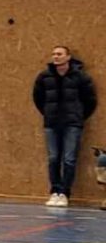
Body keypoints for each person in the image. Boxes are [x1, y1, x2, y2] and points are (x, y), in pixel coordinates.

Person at [33, 45, 97, 208]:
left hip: (72, 124)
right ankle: (54, 191)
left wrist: (78, 116)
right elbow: (38, 98)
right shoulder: (44, 77)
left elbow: (90, 100)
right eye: (53, 54)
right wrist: (48, 113)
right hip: (52, 124)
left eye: (59, 54)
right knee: (53, 158)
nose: (56, 56)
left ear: (68, 57)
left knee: (69, 159)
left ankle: (64, 193)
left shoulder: (81, 77)